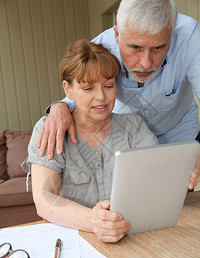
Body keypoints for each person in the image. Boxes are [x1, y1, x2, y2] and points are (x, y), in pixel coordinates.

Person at [37, 0, 200, 190]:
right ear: (116, 35)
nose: (146, 63)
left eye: (158, 48)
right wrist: (59, 107)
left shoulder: (189, 37)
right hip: (129, 140)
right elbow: (79, 95)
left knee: (173, 203)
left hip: (179, 134)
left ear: (171, 35)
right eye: (135, 48)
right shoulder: (100, 48)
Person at [22, 40, 157, 243]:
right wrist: (93, 221)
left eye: (109, 86)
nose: (101, 97)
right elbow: (44, 199)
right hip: (74, 242)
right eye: (88, 89)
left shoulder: (134, 128)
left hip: (131, 238)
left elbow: (155, 184)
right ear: (68, 90)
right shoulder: (49, 129)